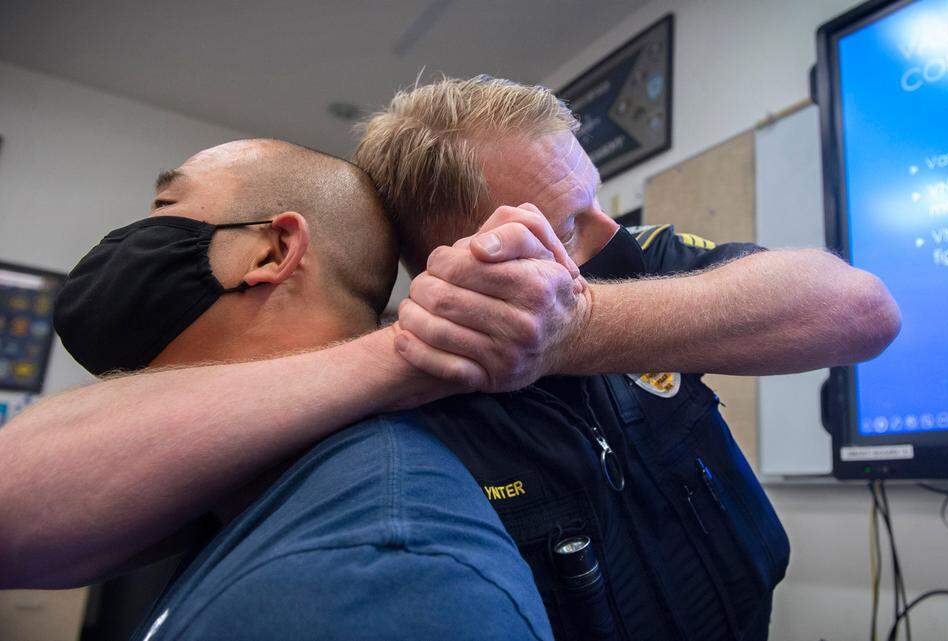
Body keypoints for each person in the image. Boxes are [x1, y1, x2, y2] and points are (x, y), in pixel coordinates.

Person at [0, 80, 899, 640]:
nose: (609, 232)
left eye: (593, 199)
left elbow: (859, 311)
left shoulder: (629, 262)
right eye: (567, 220)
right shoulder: (392, 400)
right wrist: (422, 356)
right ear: (456, 256)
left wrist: (568, 329)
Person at [45, 138, 555, 640]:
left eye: (163, 205)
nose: (132, 236)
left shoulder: (378, 571)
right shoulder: (231, 485)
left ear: (274, 250)